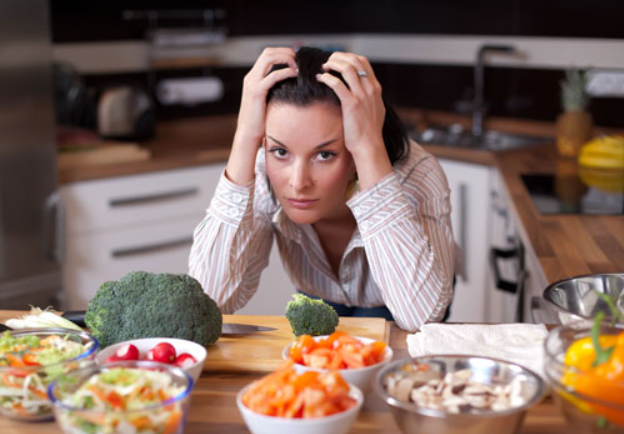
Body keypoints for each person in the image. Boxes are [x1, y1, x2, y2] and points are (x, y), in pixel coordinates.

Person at [189, 46, 454, 332]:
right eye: (280, 151)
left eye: (325, 154)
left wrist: (368, 148)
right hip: (317, 295)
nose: (298, 182)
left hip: (403, 299)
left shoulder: (416, 175)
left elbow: (421, 318)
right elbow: (209, 301)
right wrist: (244, 137)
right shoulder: (262, 168)